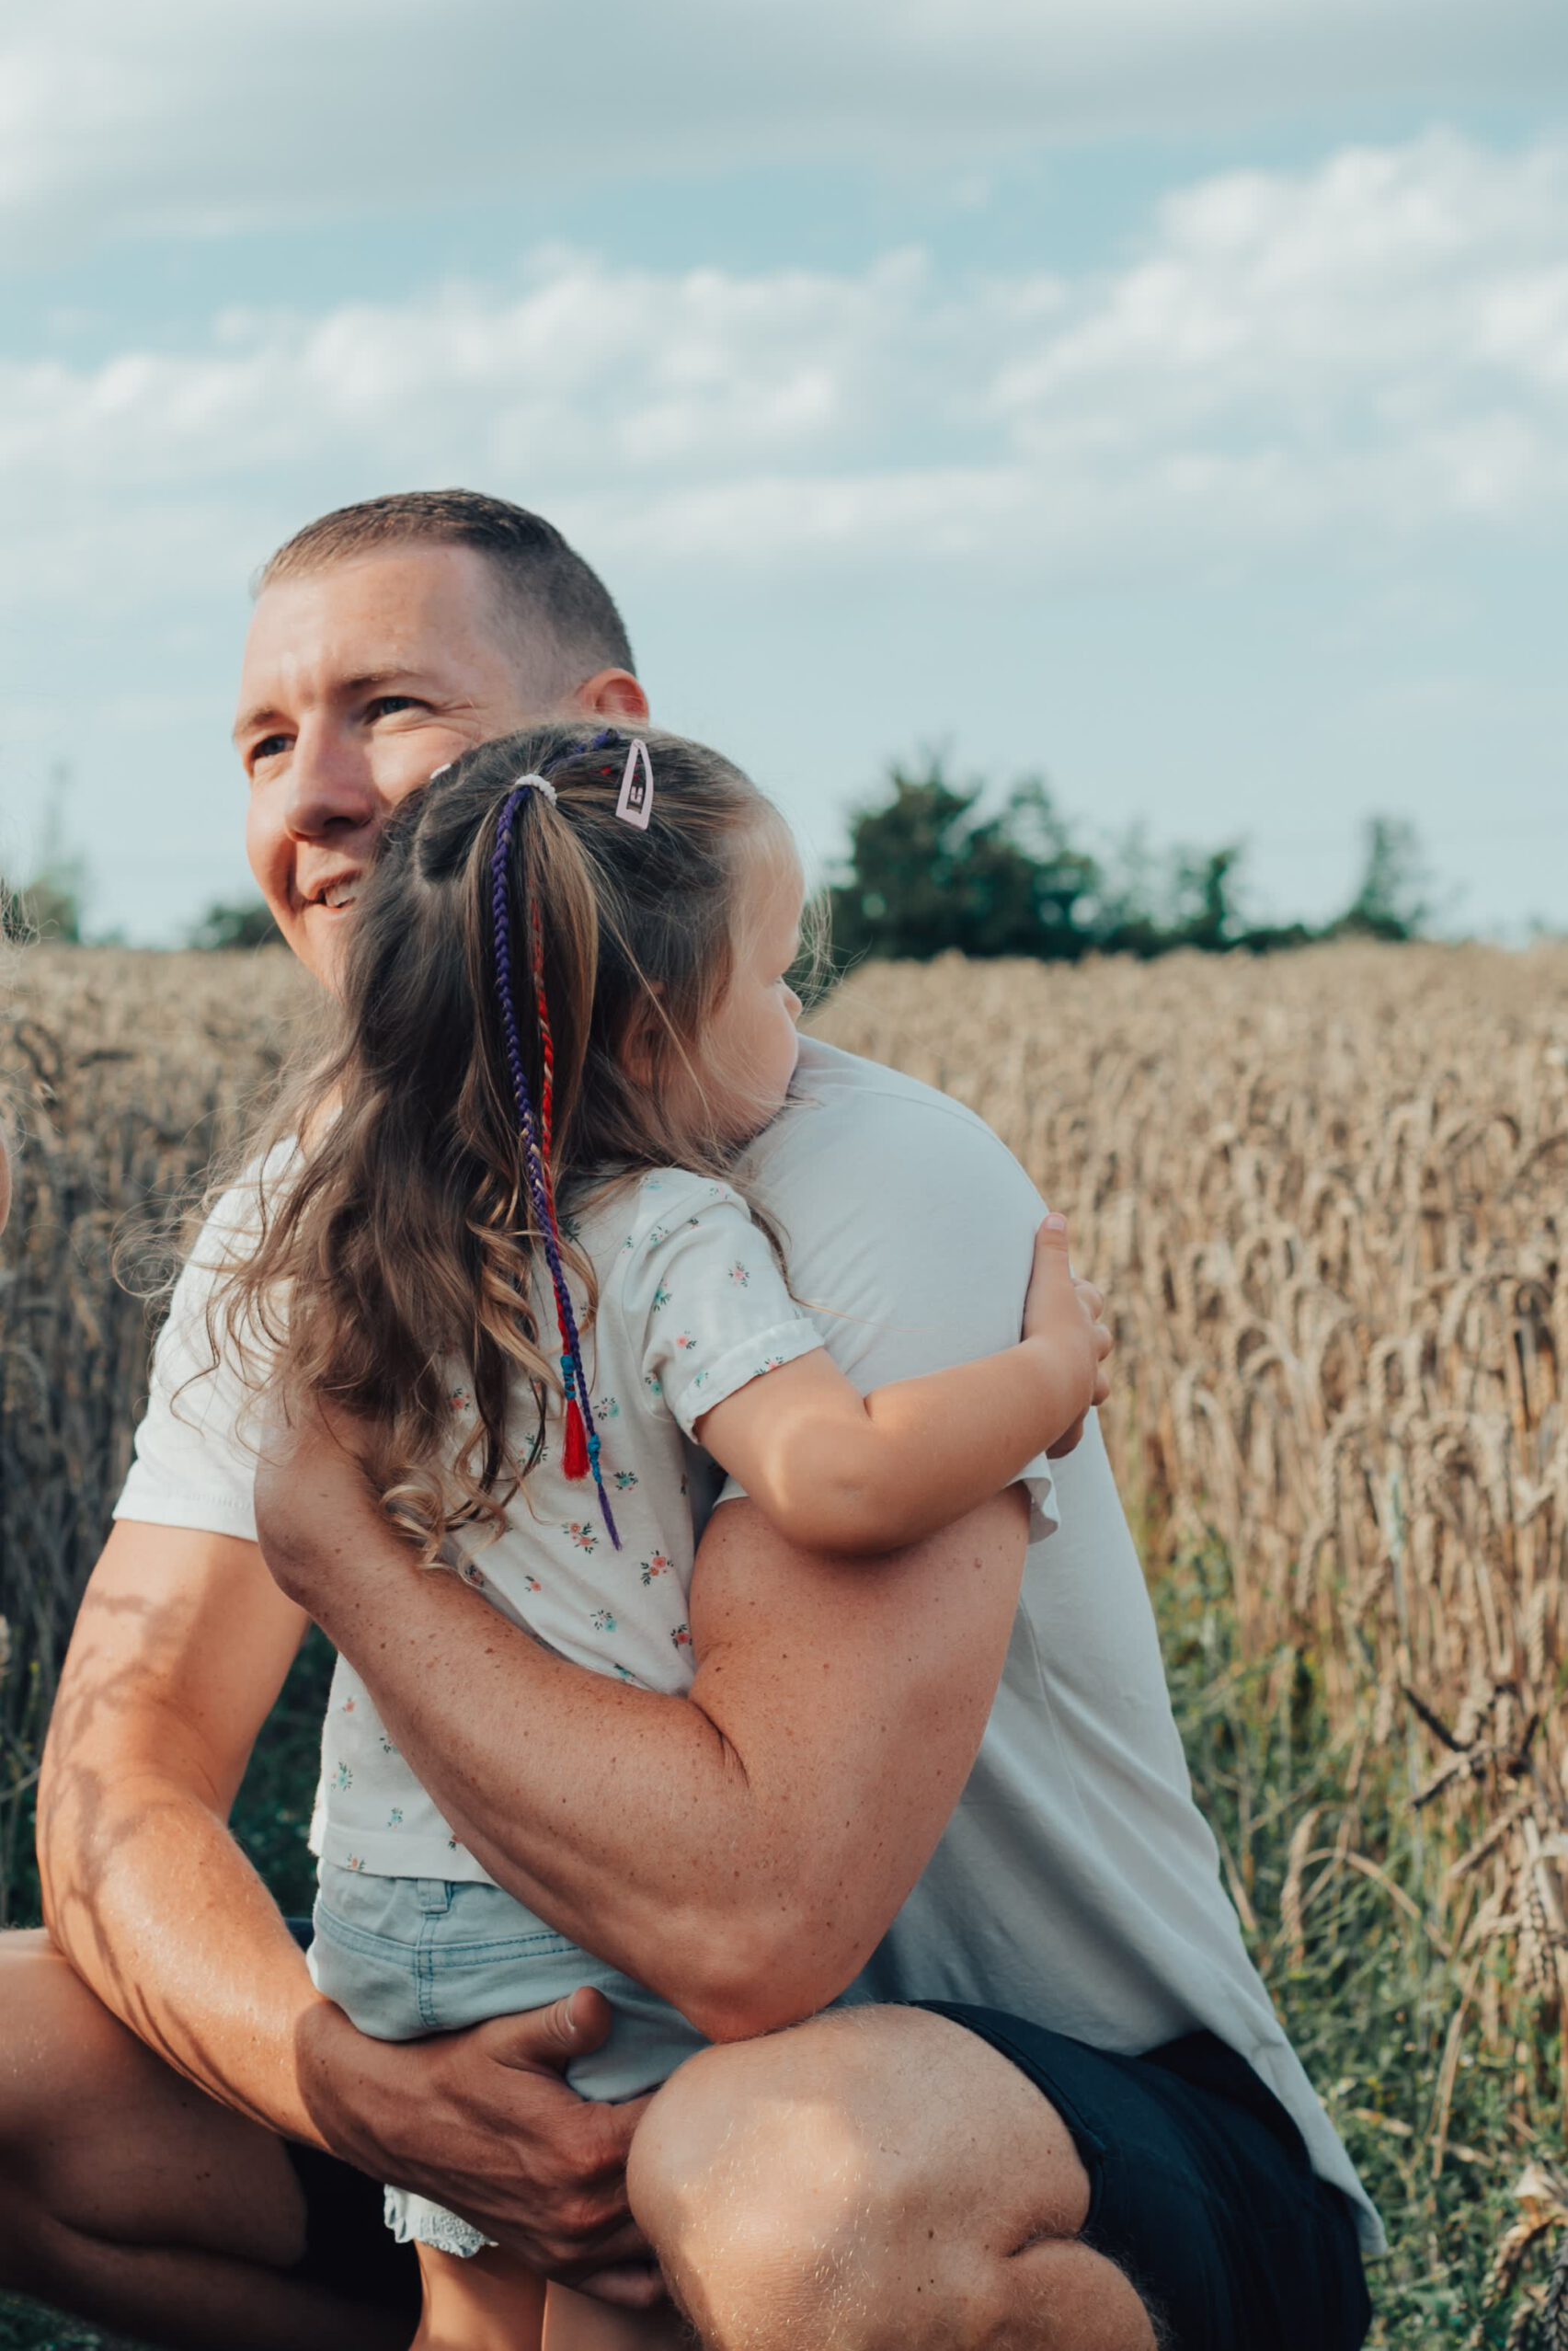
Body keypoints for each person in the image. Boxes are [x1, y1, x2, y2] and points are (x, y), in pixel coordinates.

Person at [2, 490, 1378, 2351]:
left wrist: (345, 1558)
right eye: (262, 740)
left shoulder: (862, 1183)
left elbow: (751, 1926)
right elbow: (121, 1773)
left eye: (387, 709)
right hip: (564, 2069)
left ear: (605, 745)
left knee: (777, 2188)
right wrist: (353, 2087)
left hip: (1033, 2130)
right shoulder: (316, 1221)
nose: (311, 796)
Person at [218, 716, 1109, 2346]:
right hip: (573, 1913)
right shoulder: (672, 1234)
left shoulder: (377, 1237)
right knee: (625, 2293)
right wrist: (1047, 1379)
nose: (796, 1022)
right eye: (774, 980)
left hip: (383, 1893)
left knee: (469, 2315)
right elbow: (833, 1478)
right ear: (645, 1041)